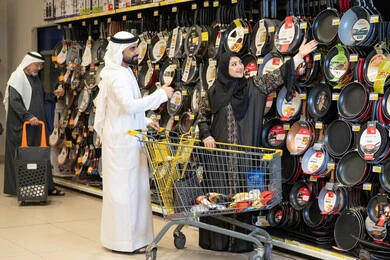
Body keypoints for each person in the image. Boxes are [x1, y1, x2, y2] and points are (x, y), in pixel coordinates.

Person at [197, 39, 318, 252]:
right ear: (225, 68)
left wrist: (298, 55)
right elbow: (203, 116)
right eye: (233, 64)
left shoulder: (254, 86)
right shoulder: (213, 91)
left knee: (244, 195)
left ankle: (240, 243)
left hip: (245, 153)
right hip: (217, 154)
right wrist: (206, 135)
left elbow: (278, 75)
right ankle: (218, 241)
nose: (239, 67)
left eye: (240, 63)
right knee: (218, 195)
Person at [93, 31, 174, 254]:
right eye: (132, 49)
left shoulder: (122, 71)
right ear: (120, 52)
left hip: (129, 138)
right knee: (125, 194)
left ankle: (136, 239)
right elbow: (129, 106)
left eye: (137, 47)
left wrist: (145, 120)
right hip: (122, 143)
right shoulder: (117, 76)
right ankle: (127, 243)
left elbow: (122, 109)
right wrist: (161, 95)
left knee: (133, 192)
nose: (137, 52)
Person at [2, 52, 65, 196]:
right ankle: (22, 189)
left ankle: (46, 188)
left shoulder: (35, 79)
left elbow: (41, 97)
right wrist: (28, 117)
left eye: (40, 66)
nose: (39, 68)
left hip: (36, 126)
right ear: (28, 63)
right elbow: (14, 102)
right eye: (37, 65)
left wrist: (54, 95)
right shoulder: (17, 77)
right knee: (23, 157)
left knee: (40, 155)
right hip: (21, 127)